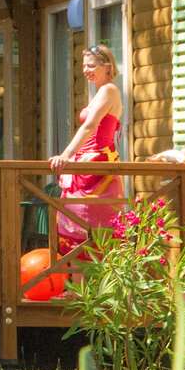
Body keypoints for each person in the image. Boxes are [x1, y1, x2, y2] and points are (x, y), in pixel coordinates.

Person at [49, 44, 125, 251]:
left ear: (107, 67)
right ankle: (80, 270)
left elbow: (90, 126)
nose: (85, 70)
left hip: (98, 162)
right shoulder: (102, 91)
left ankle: (93, 269)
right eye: (84, 66)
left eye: (91, 66)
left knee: (93, 224)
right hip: (88, 161)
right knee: (80, 223)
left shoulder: (109, 90)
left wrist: (66, 154)